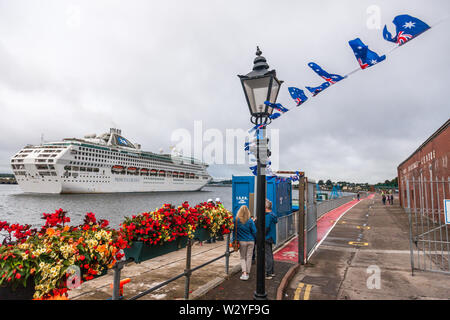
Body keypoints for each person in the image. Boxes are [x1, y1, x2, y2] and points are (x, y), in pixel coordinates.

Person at [233, 205, 257, 281]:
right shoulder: (250, 221)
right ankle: (248, 272)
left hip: (242, 241)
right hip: (251, 241)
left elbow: (234, 231)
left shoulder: (236, 220)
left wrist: (233, 240)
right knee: (249, 257)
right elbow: (254, 231)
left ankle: (244, 273)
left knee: (243, 257)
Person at [264, 199, 278, 280]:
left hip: (267, 237)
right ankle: (271, 272)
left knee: (268, 255)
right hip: (271, 237)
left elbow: (266, 227)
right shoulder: (273, 215)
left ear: (265, 207)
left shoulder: (268, 216)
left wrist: (261, 235)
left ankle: (268, 273)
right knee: (270, 255)